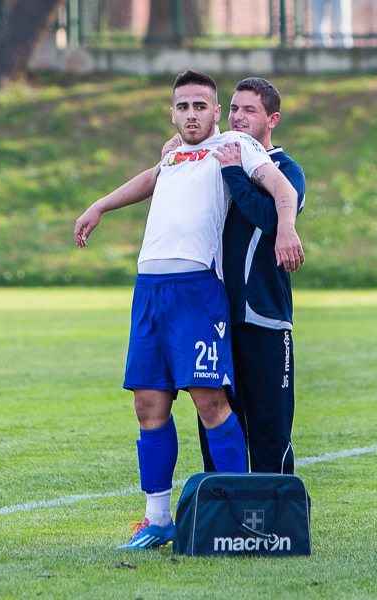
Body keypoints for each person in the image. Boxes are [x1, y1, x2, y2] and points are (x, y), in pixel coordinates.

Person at [74, 70, 304, 550]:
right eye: (183, 107)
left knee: (209, 402)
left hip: (197, 290)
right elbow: (150, 179)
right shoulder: (174, 151)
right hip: (148, 290)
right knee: (148, 403)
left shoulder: (237, 147)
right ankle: (156, 521)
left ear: (216, 113)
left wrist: (287, 229)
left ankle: (241, 513)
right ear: (172, 112)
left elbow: (283, 191)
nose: (191, 114)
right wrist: (99, 205)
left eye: (202, 106)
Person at [196, 77, 306, 476]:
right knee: (218, 421)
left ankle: (277, 519)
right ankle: (225, 516)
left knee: (269, 429)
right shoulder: (218, 158)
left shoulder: (285, 171)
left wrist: (233, 174)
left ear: (272, 119)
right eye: (234, 108)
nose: (238, 117)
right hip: (215, 318)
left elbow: (269, 218)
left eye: (250, 110)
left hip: (263, 316)